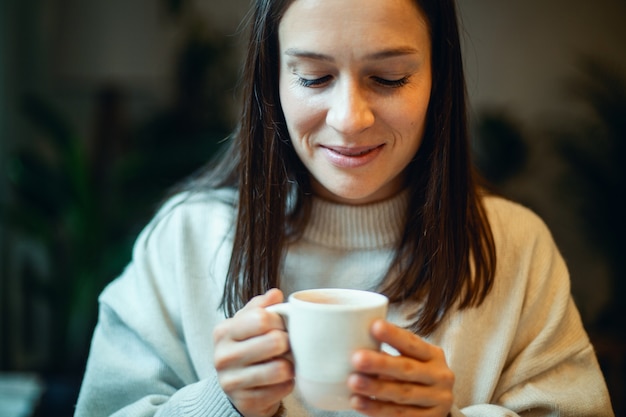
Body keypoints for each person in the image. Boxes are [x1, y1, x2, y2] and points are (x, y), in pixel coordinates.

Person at [75, 0, 615, 416]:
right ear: (273, 79)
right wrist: (222, 403)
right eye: (313, 77)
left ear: (438, 80)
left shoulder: (512, 248)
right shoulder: (185, 240)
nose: (349, 119)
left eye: (389, 78)